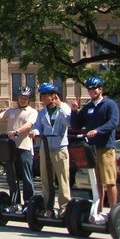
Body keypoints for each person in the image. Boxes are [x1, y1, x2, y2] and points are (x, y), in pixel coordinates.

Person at [70, 75, 120, 223]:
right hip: (92, 148)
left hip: (106, 148)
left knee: (109, 181)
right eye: (90, 89)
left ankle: (114, 211)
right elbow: (76, 126)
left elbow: (113, 122)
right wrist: (74, 111)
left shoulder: (109, 104)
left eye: (94, 89)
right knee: (96, 182)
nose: (92, 91)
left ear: (100, 89)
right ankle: (98, 211)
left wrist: (98, 130)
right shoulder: (88, 107)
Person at [0, 85, 38, 208]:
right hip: (10, 149)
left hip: (25, 148)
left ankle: (29, 202)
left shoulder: (32, 112)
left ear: (29, 99)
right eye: (21, 97)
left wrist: (17, 132)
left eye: (25, 98)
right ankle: (14, 201)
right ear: (18, 98)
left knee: (26, 176)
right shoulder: (11, 110)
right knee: (11, 176)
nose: (23, 99)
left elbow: (29, 125)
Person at [31, 83, 71, 215]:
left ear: (53, 96)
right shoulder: (42, 112)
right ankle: (48, 206)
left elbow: (69, 123)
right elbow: (37, 126)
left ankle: (65, 207)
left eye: (44, 95)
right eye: (41, 95)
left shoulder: (63, 108)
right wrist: (35, 132)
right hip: (45, 148)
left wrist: (60, 106)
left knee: (62, 179)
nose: (42, 98)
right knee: (46, 179)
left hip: (60, 148)